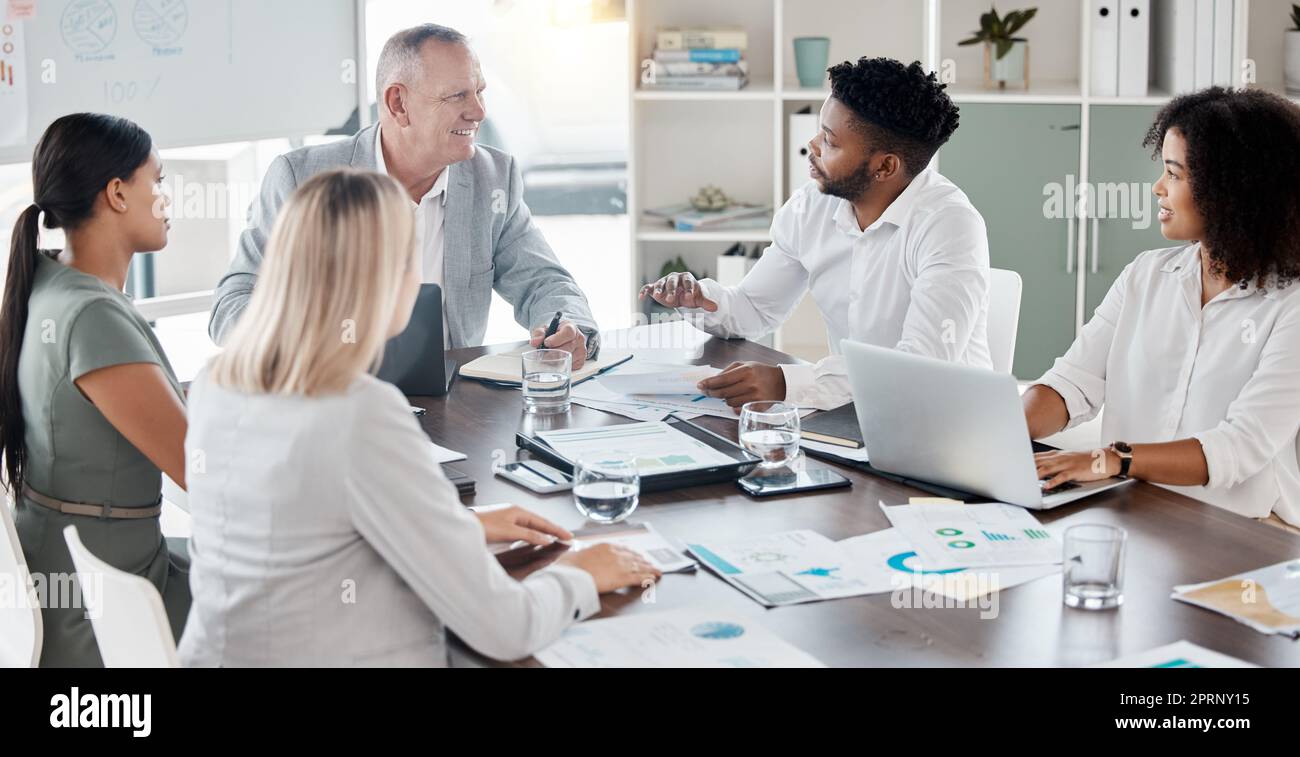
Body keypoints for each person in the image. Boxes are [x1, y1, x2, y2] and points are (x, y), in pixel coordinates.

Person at [181, 169, 659, 666]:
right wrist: (585, 571)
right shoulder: (359, 411)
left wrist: (456, 524)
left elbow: (301, 533)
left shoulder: (217, 381)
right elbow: (506, 628)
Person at [208, 23, 598, 367]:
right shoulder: (303, 179)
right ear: (398, 104)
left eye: (479, 92)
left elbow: (544, 282)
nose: (478, 112)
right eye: (457, 96)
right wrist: (314, 351)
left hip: (452, 406)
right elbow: (233, 306)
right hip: (330, 401)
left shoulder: (492, 178)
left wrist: (567, 327)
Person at [640, 57, 991, 411]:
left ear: (885, 166)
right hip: (852, 413)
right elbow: (756, 307)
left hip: (944, 421)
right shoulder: (813, 204)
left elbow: (922, 369)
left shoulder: (950, 225)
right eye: (820, 130)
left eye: (830, 141)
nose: (813, 145)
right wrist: (701, 300)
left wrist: (784, 382)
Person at [1025, 87, 1300, 531]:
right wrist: (1005, 427)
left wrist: (1111, 461)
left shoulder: (1291, 305)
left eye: (1174, 174)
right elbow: (1073, 383)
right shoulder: (1146, 275)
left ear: (1231, 191)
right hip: (1135, 509)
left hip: (1244, 529)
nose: (1158, 188)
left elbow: (1240, 447)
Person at [0, 113, 190, 666]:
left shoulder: (48, 283)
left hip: (65, 571)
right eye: (157, 181)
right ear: (116, 193)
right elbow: (207, 477)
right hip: (100, 611)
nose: (166, 197)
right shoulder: (91, 319)